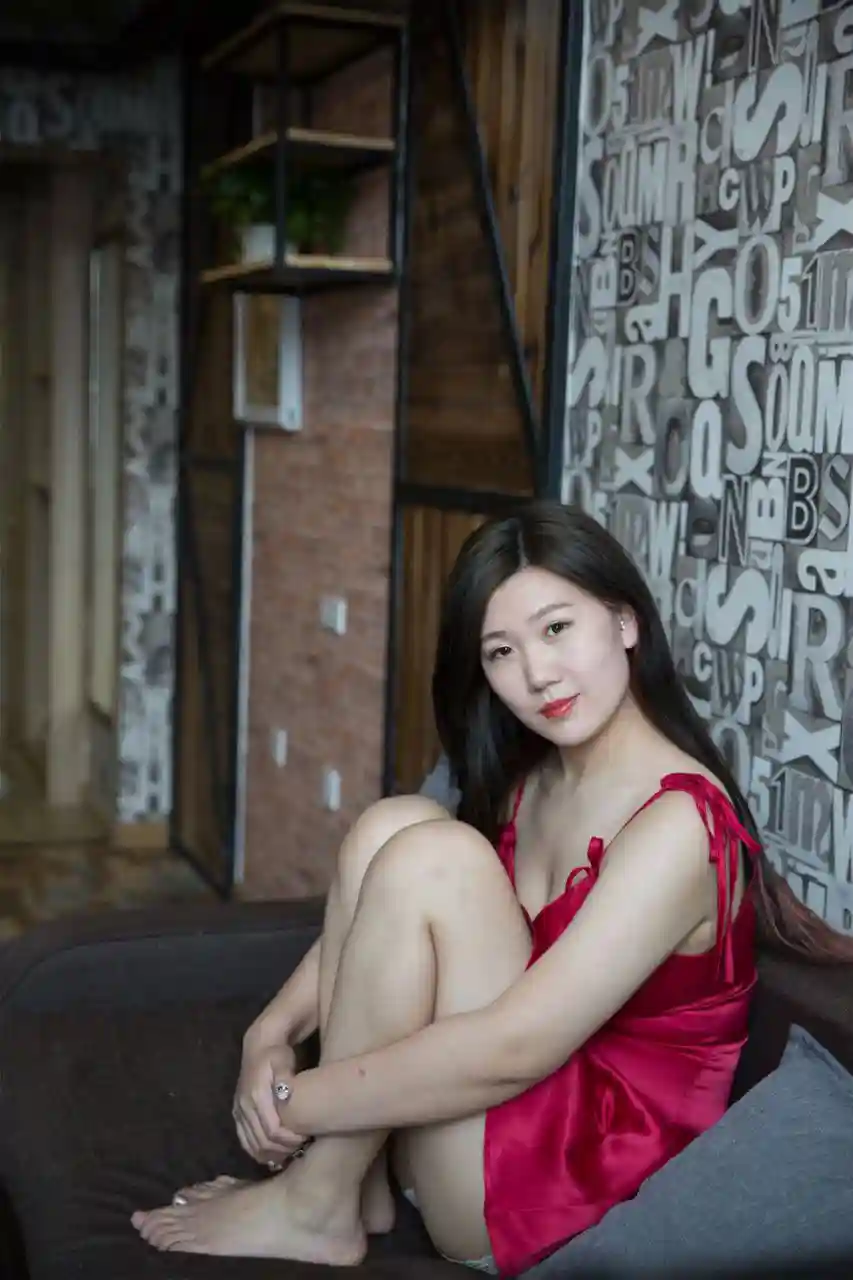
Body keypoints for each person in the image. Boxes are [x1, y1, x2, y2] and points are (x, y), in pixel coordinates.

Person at [132, 501, 853, 1274]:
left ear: (624, 622)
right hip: (494, 1121)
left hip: (584, 1173)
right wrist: (268, 1034)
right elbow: (383, 915)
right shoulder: (533, 777)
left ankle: (316, 1201)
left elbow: (517, 1046)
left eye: (556, 629)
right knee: (393, 825)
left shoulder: (680, 824)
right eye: (502, 652)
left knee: (435, 857)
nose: (537, 675)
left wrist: (293, 1103)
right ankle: (353, 1185)